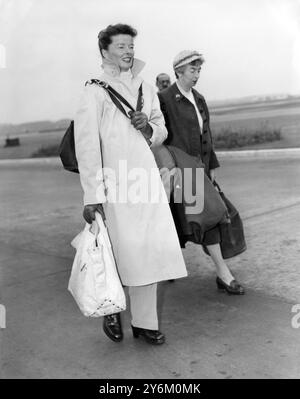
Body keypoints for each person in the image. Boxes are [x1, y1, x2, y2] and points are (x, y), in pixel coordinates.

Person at [74, 24, 187, 345]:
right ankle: (111, 307)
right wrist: (92, 195)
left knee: (148, 252)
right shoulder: (93, 90)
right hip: (113, 184)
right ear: (105, 51)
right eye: (121, 46)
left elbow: (162, 129)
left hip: (146, 180)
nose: (128, 51)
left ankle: (144, 323)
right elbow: (86, 146)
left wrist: (149, 128)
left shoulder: (146, 87)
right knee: (119, 252)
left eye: (131, 46)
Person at [158, 50, 245, 295]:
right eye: (192, 70)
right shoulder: (164, 99)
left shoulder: (199, 98)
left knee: (207, 218)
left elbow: (206, 135)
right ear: (179, 72)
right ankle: (166, 265)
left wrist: (212, 166)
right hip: (179, 170)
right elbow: (157, 137)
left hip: (200, 170)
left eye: (199, 70)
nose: (196, 75)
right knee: (176, 221)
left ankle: (222, 273)